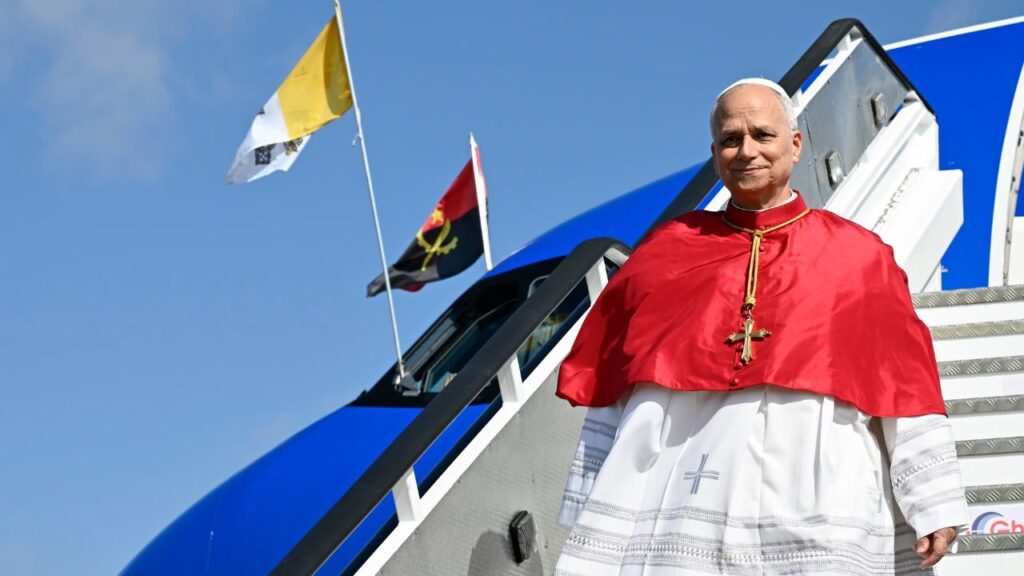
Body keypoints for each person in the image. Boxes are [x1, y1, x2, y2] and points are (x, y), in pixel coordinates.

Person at [553, 78, 968, 575]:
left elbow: (903, 384)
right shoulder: (664, 253)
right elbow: (617, 387)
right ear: (715, 154)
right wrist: (594, 495)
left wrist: (933, 504)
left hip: (819, 493)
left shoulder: (859, 256)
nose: (746, 150)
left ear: (795, 145)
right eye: (731, 140)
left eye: (762, 135)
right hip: (686, 496)